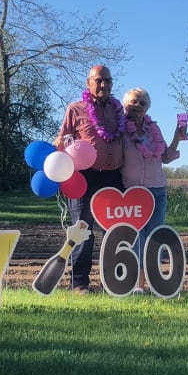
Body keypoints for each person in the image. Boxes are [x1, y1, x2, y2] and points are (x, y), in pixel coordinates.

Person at [53, 65, 125, 293]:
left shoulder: (119, 109)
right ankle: (80, 283)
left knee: (114, 231)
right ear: (88, 83)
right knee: (82, 229)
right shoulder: (75, 109)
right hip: (84, 177)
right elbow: (61, 142)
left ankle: (112, 282)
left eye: (108, 80)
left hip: (114, 177)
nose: (103, 84)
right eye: (98, 80)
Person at [120, 88, 182, 293]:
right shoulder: (119, 129)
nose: (138, 105)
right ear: (125, 104)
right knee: (136, 238)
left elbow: (165, 157)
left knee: (155, 238)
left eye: (143, 103)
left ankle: (153, 285)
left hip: (157, 191)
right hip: (132, 192)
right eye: (134, 101)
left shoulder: (153, 130)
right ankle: (137, 286)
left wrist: (176, 138)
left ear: (148, 108)